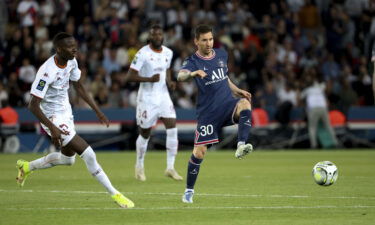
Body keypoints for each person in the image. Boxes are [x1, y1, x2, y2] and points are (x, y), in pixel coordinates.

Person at [16, 32, 134, 208]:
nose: (75, 49)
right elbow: (32, 105)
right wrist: (52, 128)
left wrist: (97, 111)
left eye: (75, 45)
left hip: (65, 112)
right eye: (70, 46)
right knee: (89, 154)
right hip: (52, 117)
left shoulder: (72, 61)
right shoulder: (46, 71)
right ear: (59, 49)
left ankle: (26, 167)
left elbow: (79, 86)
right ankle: (115, 194)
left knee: (67, 160)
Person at [177, 24, 253, 203]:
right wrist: (193, 74)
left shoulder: (221, 54)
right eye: (204, 40)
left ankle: (241, 144)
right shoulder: (192, 61)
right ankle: (188, 191)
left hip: (227, 105)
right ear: (196, 41)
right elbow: (180, 76)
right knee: (199, 152)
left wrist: (237, 90)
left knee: (244, 103)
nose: (208, 43)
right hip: (209, 114)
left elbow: (224, 77)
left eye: (210, 39)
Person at [126, 24, 183, 181]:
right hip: (147, 98)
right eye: (154, 35)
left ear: (162, 36)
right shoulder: (142, 54)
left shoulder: (168, 52)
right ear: (149, 37)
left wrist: (170, 82)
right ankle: (139, 166)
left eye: (160, 34)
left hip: (163, 96)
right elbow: (129, 77)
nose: (157, 37)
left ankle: (170, 168)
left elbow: (167, 69)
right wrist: (149, 79)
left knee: (172, 128)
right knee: (145, 133)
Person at [300, 73, 339, 149]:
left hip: (313, 109)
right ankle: (336, 143)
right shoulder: (319, 87)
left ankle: (314, 145)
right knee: (328, 126)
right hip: (322, 107)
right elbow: (327, 87)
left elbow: (300, 98)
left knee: (312, 127)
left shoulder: (307, 90)